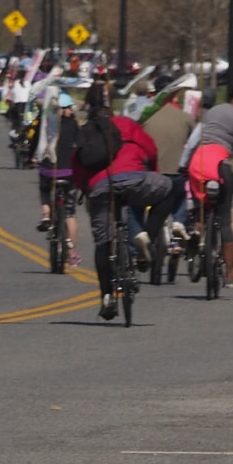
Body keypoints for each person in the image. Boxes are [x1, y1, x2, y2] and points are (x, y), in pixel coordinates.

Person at [72, 85, 171, 319]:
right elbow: (151, 148)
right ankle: (146, 234)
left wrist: (86, 190)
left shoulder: (86, 132)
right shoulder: (126, 124)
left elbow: (77, 166)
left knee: (103, 243)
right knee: (167, 190)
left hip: (100, 188)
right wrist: (152, 171)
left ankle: (106, 295)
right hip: (137, 179)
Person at [193, 79, 233, 287]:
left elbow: (196, 138)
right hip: (222, 166)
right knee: (224, 219)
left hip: (201, 163)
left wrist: (184, 164)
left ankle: (197, 241)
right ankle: (229, 274)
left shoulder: (211, 112)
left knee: (200, 208)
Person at [34, 89, 81, 267]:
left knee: (44, 189)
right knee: (70, 213)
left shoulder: (45, 124)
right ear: (63, 109)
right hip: (69, 173)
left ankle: (46, 214)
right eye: (68, 107)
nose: (71, 111)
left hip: (48, 171)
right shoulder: (74, 125)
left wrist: (33, 157)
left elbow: (36, 144)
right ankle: (72, 253)